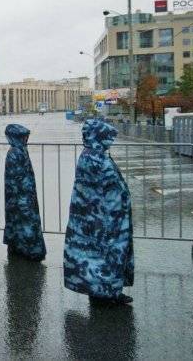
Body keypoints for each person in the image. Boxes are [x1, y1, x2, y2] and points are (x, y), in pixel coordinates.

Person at [63, 119, 134, 305]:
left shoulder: (92, 155)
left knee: (98, 256)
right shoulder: (96, 159)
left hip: (98, 219)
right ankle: (107, 294)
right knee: (108, 255)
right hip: (106, 219)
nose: (110, 142)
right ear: (98, 136)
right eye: (108, 138)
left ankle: (102, 291)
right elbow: (109, 188)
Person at [3, 124, 45, 260]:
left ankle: (19, 248)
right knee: (25, 222)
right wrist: (24, 198)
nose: (26, 139)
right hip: (20, 197)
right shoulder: (15, 153)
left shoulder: (20, 150)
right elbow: (17, 179)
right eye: (24, 137)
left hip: (21, 196)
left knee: (19, 222)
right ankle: (29, 250)